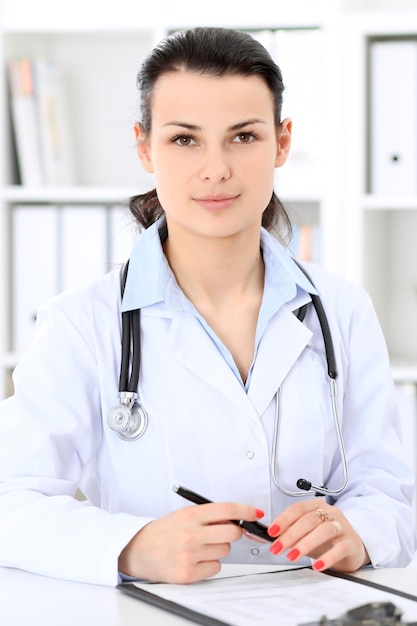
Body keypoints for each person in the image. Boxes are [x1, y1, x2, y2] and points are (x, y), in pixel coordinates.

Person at [0, 26, 415, 587]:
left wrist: (357, 532)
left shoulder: (341, 309)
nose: (216, 168)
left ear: (282, 142)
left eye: (243, 137)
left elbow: (390, 490)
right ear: (145, 147)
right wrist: (130, 547)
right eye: (184, 139)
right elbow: (11, 501)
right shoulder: (82, 323)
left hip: (317, 609)